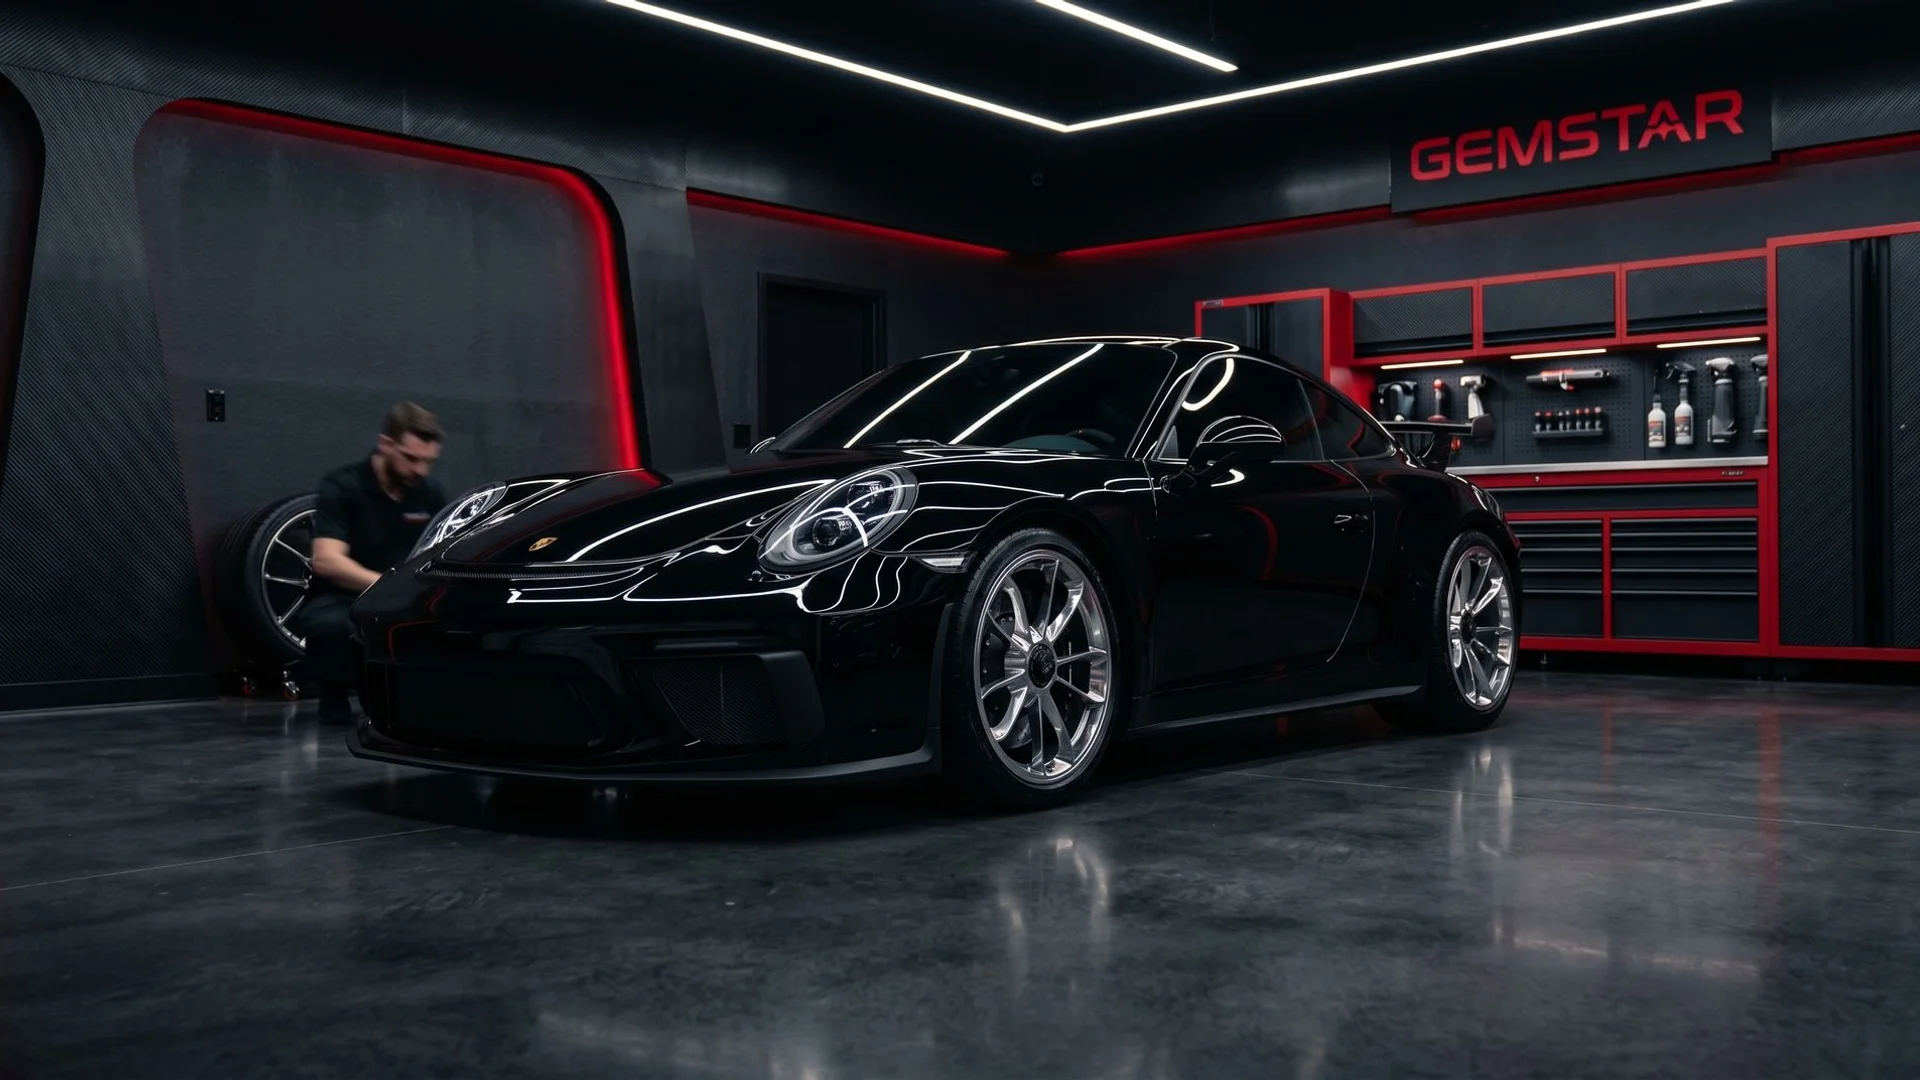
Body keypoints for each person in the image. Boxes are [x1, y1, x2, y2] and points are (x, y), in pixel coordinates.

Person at [301, 403, 449, 723]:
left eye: (428, 462)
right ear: (386, 444)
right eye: (411, 459)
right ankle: (333, 699)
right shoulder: (343, 486)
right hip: (345, 595)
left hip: (404, 596)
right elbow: (327, 561)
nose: (420, 470)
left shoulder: (431, 494)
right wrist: (388, 587)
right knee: (329, 625)